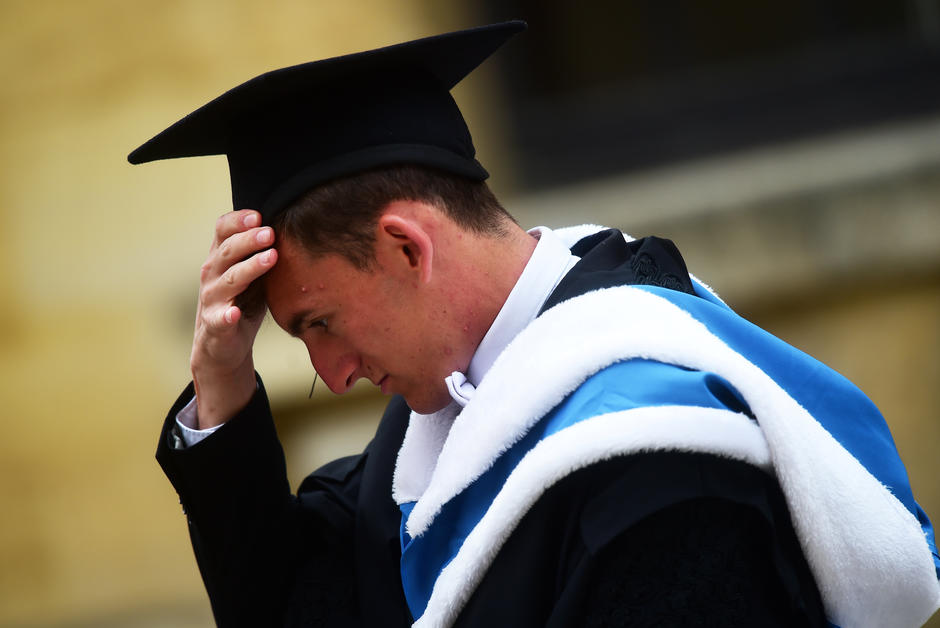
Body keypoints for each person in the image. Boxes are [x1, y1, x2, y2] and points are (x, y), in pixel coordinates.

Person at [130, 21, 940, 628]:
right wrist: (222, 390)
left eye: (321, 323)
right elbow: (295, 606)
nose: (335, 374)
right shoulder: (433, 435)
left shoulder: (656, 456)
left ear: (407, 248)